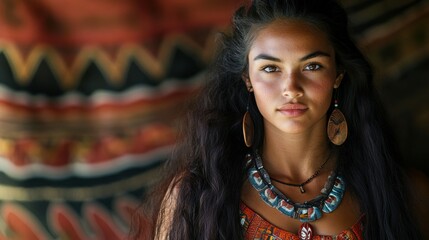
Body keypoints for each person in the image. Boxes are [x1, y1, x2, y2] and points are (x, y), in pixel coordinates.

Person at [131, 0, 429, 239]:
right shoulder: (196, 195)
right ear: (247, 79)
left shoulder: (401, 191)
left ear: (337, 74)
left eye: (312, 66)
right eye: (271, 69)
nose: (291, 88)